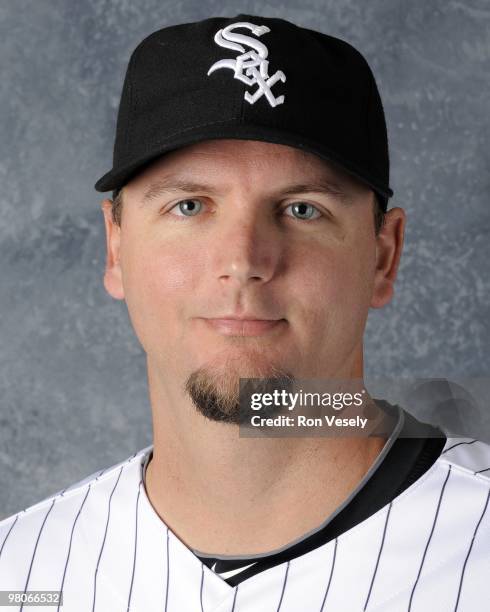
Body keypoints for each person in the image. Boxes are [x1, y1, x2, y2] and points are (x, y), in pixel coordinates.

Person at [1, 14, 489, 612]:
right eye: (189, 205)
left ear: (383, 256)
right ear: (116, 248)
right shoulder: (20, 568)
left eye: (302, 209)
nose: (243, 261)